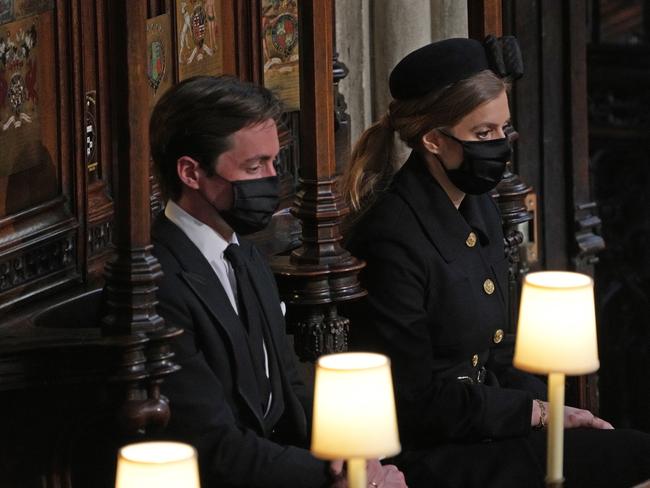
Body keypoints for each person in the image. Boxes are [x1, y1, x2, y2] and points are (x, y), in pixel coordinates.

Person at [341, 38, 650, 488]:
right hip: (431, 451)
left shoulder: (478, 205)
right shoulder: (391, 235)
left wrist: (554, 410)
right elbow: (412, 400)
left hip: (489, 427)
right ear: (432, 139)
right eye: (483, 134)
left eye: (504, 130)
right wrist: (536, 414)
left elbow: (498, 348)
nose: (501, 146)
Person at [148, 75, 407, 488]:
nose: (272, 180)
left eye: (273, 162)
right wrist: (342, 480)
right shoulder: (159, 285)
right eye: (254, 167)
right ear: (191, 172)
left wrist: (351, 453)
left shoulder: (247, 256)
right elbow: (211, 445)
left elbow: (288, 388)